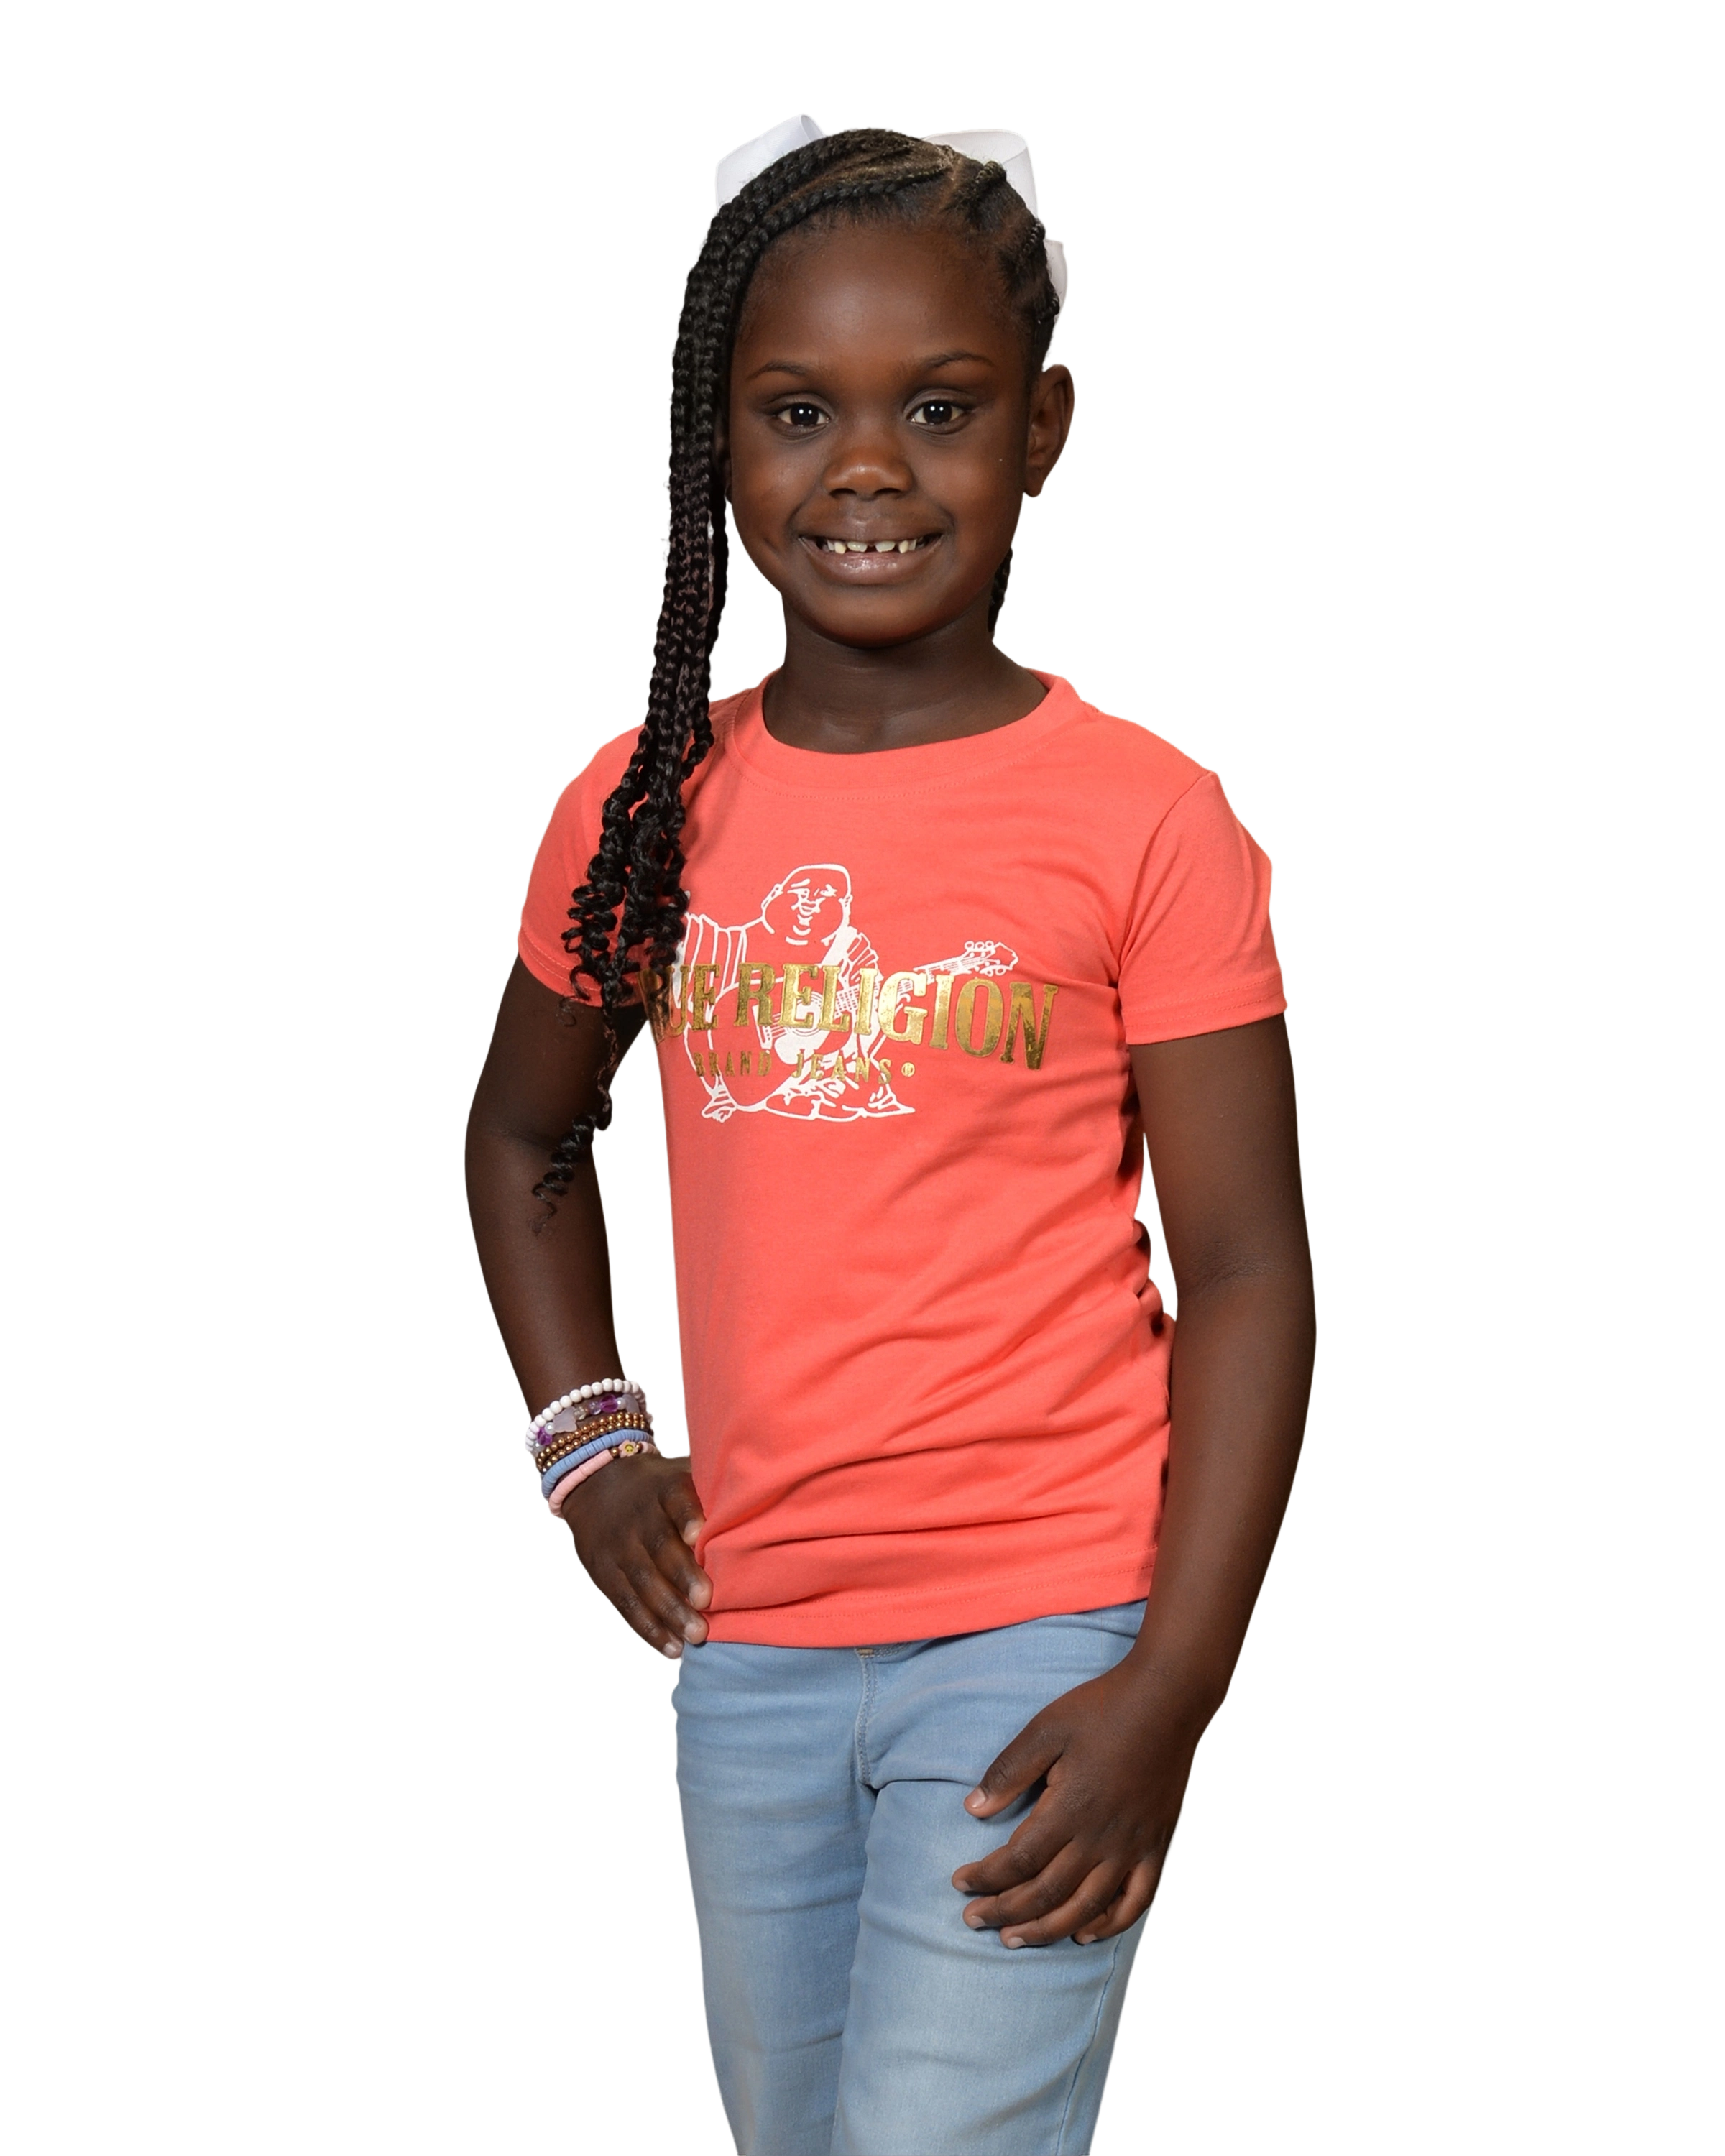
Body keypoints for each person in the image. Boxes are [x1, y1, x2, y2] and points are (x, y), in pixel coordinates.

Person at [463, 114, 1315, 2156]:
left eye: (940, 407)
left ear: (1045, 431)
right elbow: (517, 1138)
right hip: (749, 1650)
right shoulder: (638, 807)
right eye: (797, 411)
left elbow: (1246, 1269)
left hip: (1048, 1642)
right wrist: (587, 1446)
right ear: (715, 446)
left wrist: (1173, 1690)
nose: (867, 468)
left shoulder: (1145, 819)